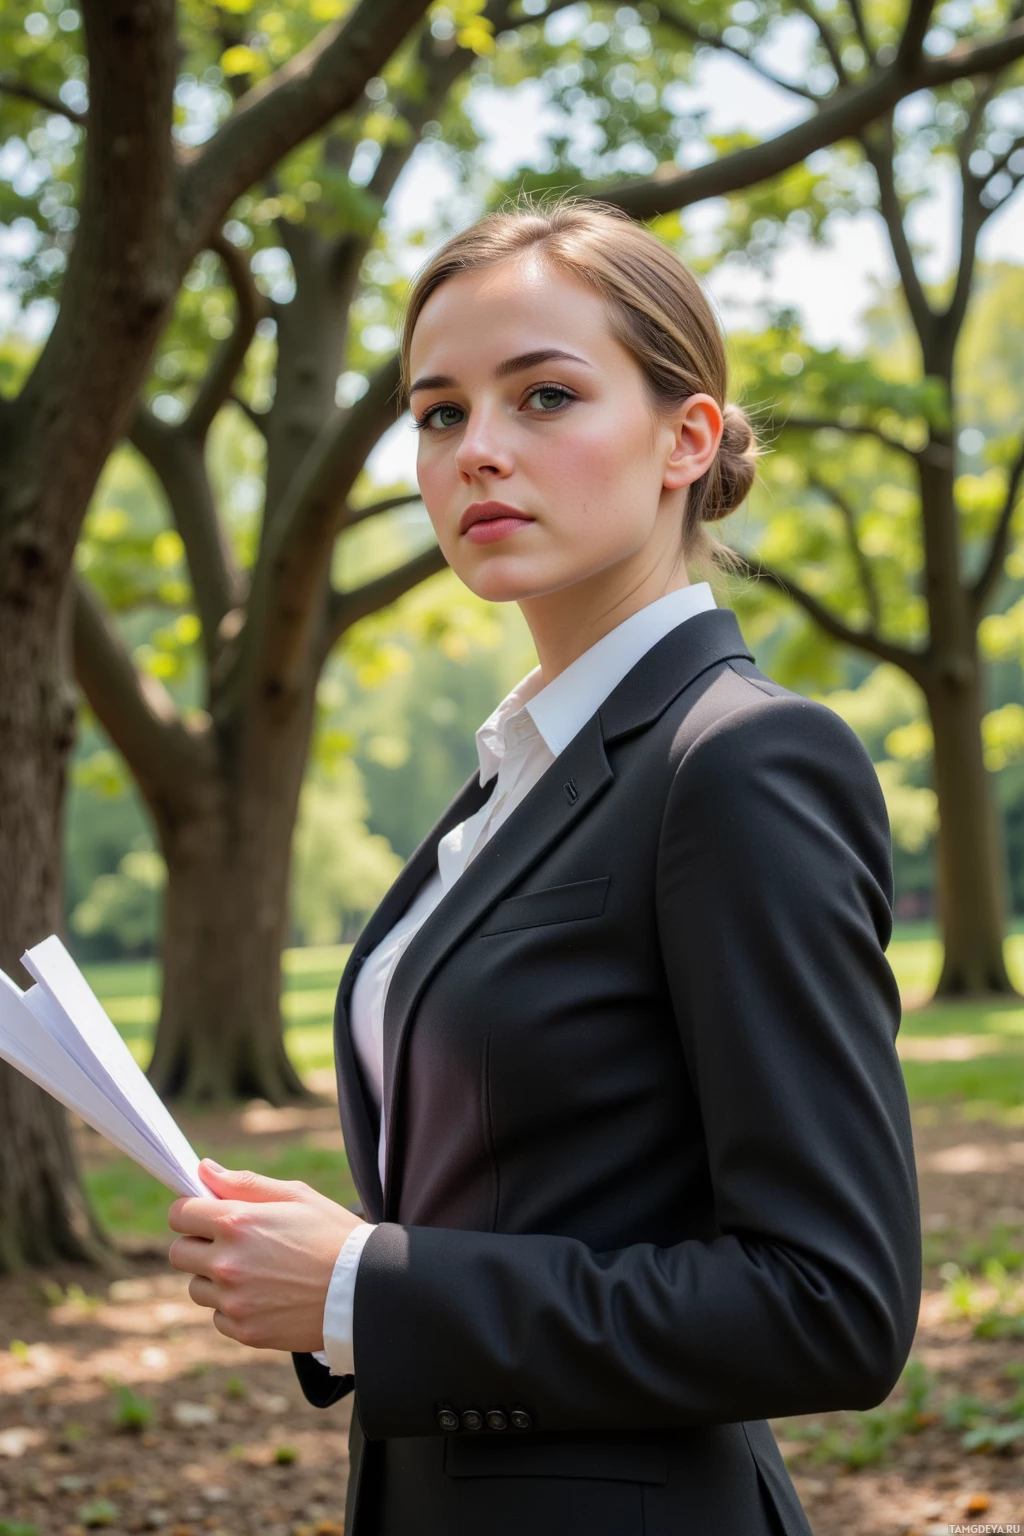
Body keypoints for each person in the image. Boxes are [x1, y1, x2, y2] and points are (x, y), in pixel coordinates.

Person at [167, 194, 922, 1536]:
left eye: (546, 396)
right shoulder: (517, 775)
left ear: (686, 438)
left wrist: (367, 1289)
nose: (478, 452)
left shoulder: (739, 764)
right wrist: (333, 1262)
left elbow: (832, 1305)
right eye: (441, 412)